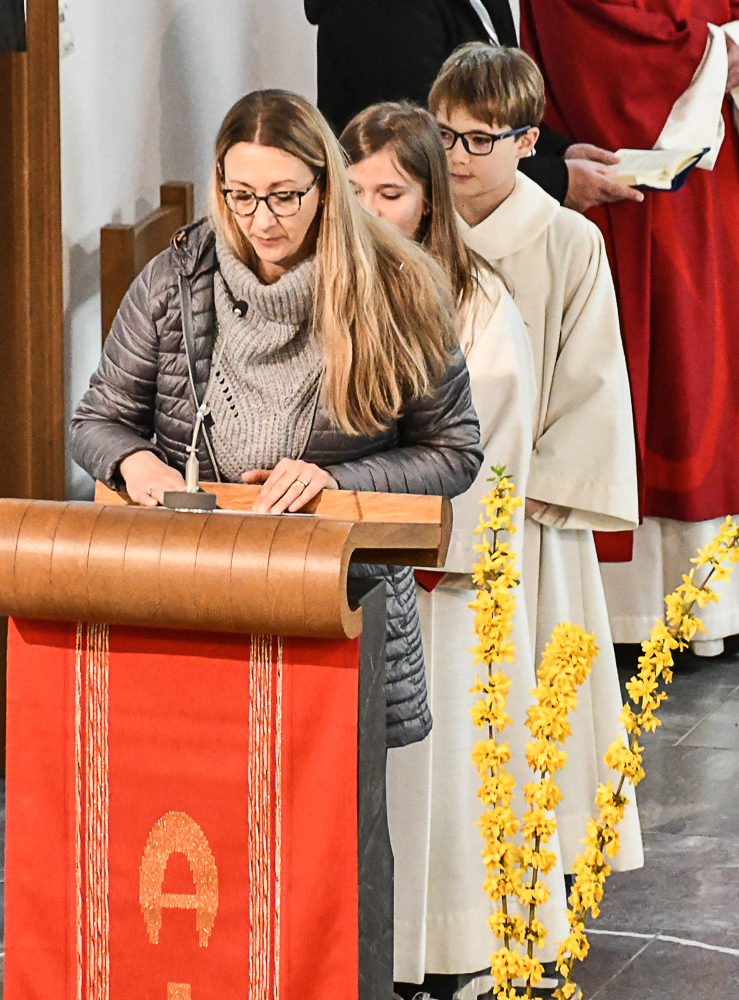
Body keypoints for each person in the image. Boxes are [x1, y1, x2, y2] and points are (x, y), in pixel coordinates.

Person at [69, 88, 484, 751]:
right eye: (241, 195)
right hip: (197, 595)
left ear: (325, 186)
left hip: (340, 599)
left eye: (285, 196)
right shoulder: (174, 281)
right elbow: (97, 420)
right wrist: (134, 461)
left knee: (327, 810)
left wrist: (334, 480)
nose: (261, 220)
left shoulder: (397, 286)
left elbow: (453, 451)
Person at [341, 101, 570, 1000]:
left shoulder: (476, 303)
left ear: (429, 201)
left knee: (452, 777)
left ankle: (452, 946)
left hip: (443, 577)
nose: (369, 211)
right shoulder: (334, 286)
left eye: (389, 193)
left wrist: (426, 542)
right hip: (352, 569)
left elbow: (490, 446)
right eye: (353, 191)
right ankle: (378, 948)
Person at [429, 42, 645, 957]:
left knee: (532, 701)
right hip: (433, 506)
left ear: (527, 140)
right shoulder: (413, 234)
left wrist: (534, 497)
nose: (456, 157)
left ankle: (541, 857)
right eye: (443, 135)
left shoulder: (565, 240)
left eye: (478, 139)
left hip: (527, 518)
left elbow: (591, 384)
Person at [520, 1, 739, 658]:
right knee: (658, 380)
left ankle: (716, 601)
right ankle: (639, 611)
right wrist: (713, 56)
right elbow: (599, 47)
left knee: (710, 381)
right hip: (627, 184)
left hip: (714, 177)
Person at [304, 0, 644, 211]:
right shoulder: (380, 9)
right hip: (404, 228)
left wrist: (561, 152)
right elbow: (429, 142)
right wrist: (559, 180)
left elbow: (496, 107)